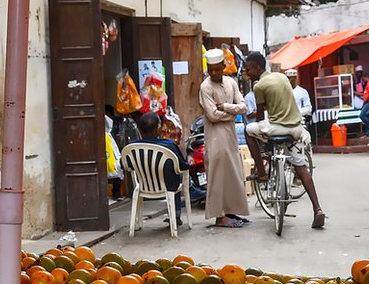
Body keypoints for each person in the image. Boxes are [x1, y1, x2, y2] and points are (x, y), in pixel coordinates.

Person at [244, 52, 326, 229]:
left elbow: (259, 116)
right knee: (301, 167)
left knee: (249, 131)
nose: (247, 72)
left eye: (249, 69)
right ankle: (317, 209)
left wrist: (262, 137)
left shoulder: (258, 86)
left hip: (278, 128)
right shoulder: (281, 77)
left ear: (258, 68)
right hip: (296, 129)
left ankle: (262, 172)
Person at [199, 48, 250, 228]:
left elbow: (243, 107)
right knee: (217, 175)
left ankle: (231, 211)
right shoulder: (205, 87)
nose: (213, 73)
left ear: (223, 66)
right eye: (210, 69)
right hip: (215, 137)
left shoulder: (231, 82)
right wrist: (232, 113)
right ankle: (219, 216)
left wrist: (227, 108)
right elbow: (212, 115)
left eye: (217, 69)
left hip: (230, 135)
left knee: (233, 172)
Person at [132, 112, 188, 226]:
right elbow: (183, 166)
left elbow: (125, 166)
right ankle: (176, 216)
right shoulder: (170, 145)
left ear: (139, 130)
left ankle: (136, 223)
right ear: (159, 129)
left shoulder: (132, 147)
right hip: (169, 186)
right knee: (176, 174)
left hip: (143, 187)